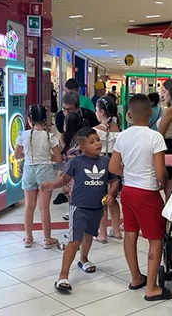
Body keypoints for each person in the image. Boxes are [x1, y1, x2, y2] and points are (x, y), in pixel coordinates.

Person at [109, 94, 172, 302]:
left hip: (127, 192)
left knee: (130, 234)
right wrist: (164, 186)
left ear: (129, 115)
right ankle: (151, 288)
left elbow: (113, 167)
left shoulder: (122, 136)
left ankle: (136, 277)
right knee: (155, 240)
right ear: (151, 114)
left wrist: (129, 173)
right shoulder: (155, 137)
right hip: (148, 194)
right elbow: (160, 172)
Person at [41, 127, 119, 293]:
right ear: (81, 147)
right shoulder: (76, 162)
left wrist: (111, 193)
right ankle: (63, 276)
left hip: (97, 207)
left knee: (89, 236)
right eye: (91, 142)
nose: (97, 143)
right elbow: (64, 179)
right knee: (74, 241)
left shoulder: (106, 161)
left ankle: (83, 259)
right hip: (79, 207)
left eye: (97, 140)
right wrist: (52, 185)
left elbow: (114, 181)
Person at [14, 105, 61, 249]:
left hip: (29, 169)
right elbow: (58, 158)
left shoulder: (23, 135)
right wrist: (48, 156)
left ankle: (28, 237)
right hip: (45, 170)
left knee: (29, 206)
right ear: (45, 119)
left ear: (29, 119)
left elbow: (17, 155)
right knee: (44, 207)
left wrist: (26, 155)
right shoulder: (50, 136)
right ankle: (47, 239)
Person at [93, 96, 123, 243]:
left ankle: (102, 234)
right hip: (116, 167)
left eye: (96, 110)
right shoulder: (119, 130)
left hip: (100, 167)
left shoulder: (95, 131)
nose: (95, 112)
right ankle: (117, 230)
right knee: (113, 199)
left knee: (102, 200)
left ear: (102, 112)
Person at [52, 110, 86, 207]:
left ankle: (73, 217)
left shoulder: (63, 138)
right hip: (82, 172)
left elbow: (61, 155)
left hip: (69, 174)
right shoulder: (83, 138)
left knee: (72, 200)